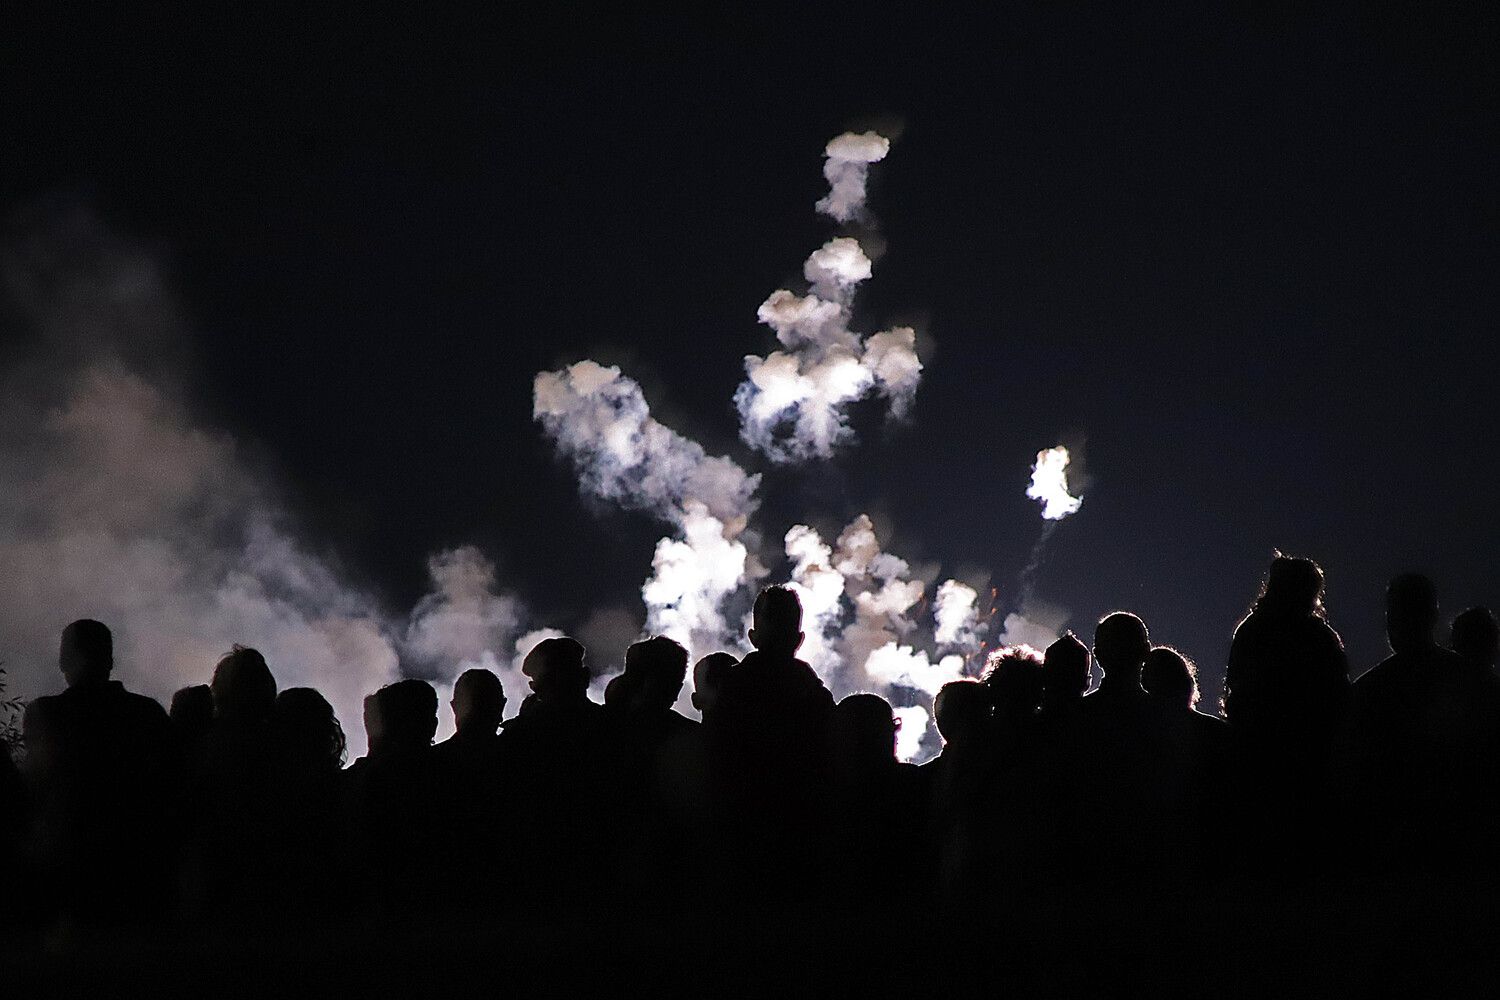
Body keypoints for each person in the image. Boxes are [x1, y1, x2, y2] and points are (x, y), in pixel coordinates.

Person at [22, 620, 172, 925]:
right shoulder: (148, 715)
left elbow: (35, 788)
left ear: (64, 660)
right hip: (137, 867)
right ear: (110, 661)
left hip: (66, 867)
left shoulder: (46, 714)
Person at [1351, 574, 1500, 873]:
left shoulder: (1367, 690)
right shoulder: (1475, 680)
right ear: (1433, 614)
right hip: (1467, 843)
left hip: (1394, 848)